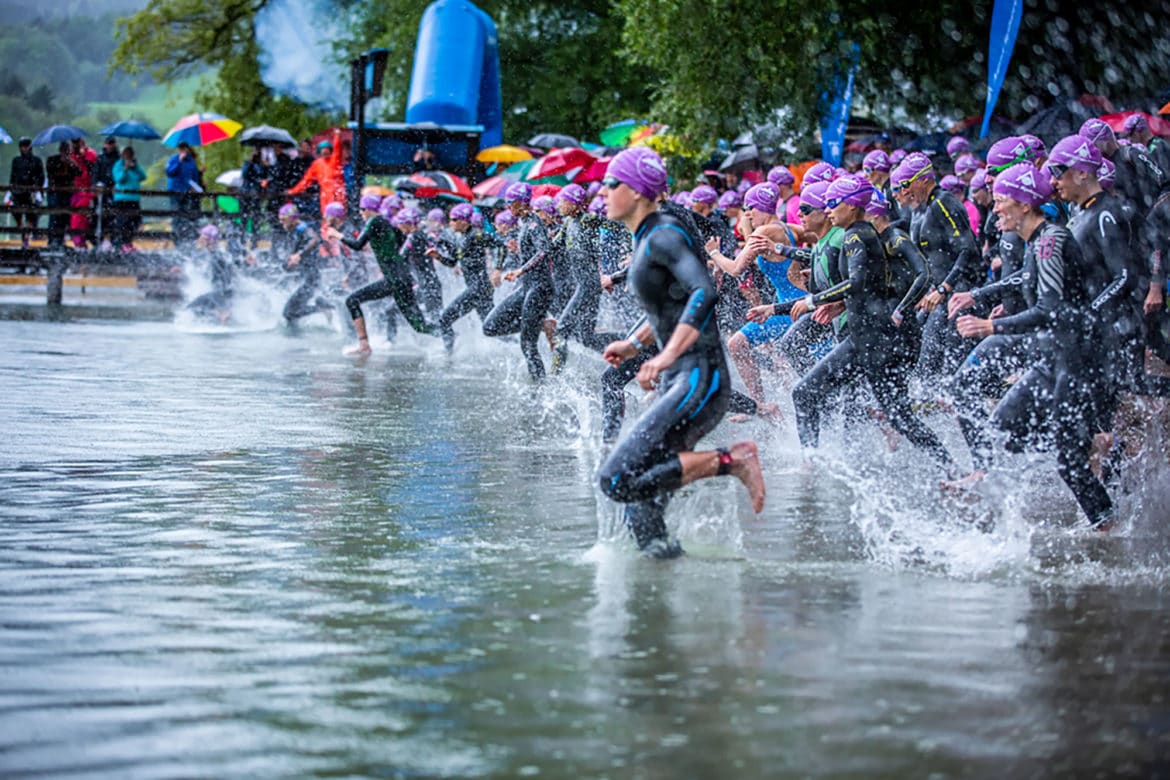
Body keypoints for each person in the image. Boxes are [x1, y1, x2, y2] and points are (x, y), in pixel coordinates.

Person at [596, 147, 765, 558]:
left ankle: (734, 460)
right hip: (686, 377)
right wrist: (635, 344)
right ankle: (668, 591)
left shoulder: (663, 235)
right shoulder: (649, 235)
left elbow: (702, 291)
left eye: (610, 184)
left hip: (697, 378)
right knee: (641, 509)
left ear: (635, 191)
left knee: (616, 479)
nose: (603, 192)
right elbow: (669, 308)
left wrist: (667, 354)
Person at [949, 163, 1114, 529]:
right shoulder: (1036, 243)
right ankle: (1088, 443)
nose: (995, 211)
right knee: (1003, 430)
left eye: (1001, 202)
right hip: (1053, 357)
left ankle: (1109, 528)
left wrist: (992, 326)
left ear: (1025, 204)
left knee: (1069, 461)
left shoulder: (1052, 240)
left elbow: (1050, 309)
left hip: (1078, 360)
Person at [783, 175, 957, 471]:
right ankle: (950, 468)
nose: (827, 211)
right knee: (898, 415)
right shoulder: (865, 235)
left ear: (852, 207)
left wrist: (814, 301)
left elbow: (857, 281)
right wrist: (839, 303)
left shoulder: (855, 236)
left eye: (832, 204)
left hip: (868, 340)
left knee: (805, 393)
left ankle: (810, 465)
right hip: (877, 338)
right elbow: (871, 285)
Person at [334, 199, 434, 355]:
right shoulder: (388, 223)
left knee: (352, 301)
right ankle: (451, 336)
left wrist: (337, 235)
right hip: (399, 278)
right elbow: (400, 248)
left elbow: (357, 245)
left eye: (361, 209)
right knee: (419, 325)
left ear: (368, 209)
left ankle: (364, 345)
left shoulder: (373, 221)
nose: (360, 213)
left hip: (395, 280)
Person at [482, 182, 556, 381]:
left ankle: (542, 388)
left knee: (527, 344)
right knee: (490, 326)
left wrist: (520, 270)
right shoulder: (524, 224)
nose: (507, 208)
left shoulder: (533, 223)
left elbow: (544, 251)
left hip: (540, 287)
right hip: (526, 287)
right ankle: (540, 324)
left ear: (521, 203)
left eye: (510, 203)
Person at [430, 203, 502, 351]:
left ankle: (448, 355)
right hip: (479, 289)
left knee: (445, 319)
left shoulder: (476, 235)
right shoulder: (461, 238)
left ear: (464, 221)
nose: (450, 223)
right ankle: (516, 345)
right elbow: (452, 262)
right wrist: (437, 257)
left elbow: (501, 245)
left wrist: (497, 269)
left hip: (479, 287)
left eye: (453, 219)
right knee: (492, 329)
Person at [275, 203, 330, 325]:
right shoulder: (295, 231)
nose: (281, 223)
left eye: (283, 220)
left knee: (288, 313)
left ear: (293, 218)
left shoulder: (303, 228)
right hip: (309, 279)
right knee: (290, 313)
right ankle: (321, 311)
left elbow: (314, 239)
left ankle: (322, 310)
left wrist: (299, 255)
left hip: (311, 280)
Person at [286, 131, 347, 220]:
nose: (325, 152)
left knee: (338, 218)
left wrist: (337, 137)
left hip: (337, 194)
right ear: (319, 152)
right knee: (327, 219)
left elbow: (338, 150)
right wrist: (292, 191)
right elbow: (305, 181)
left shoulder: (335, 161)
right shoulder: (316, 164)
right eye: (323, 150)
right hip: (326, 196)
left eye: (327, 150)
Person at [186, 224, 236, 323]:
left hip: (221, 295)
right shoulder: (213, 254)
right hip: (219, 294)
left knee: (192, 308)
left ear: (211, 240)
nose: (199, 239)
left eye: (203, 237)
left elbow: (222, 284)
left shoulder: (218, 257)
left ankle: (222, 314)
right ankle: (217, 315)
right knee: (192, 308)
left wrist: (223, 308)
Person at [8, 137, 43, 249]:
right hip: (18, 192)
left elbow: (41, 176)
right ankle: (23, 234)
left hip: (31, 193)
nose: (25, 148)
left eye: (26, 146)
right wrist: (12, 189)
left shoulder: (36, 160)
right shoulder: (16, 161)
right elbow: (12, 177)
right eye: (23, 146)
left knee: (30, 216)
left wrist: (36, 186)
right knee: (17, 214)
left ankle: (25, 239)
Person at [110, 145, 146, 252]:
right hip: (122, 198)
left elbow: (143, 176)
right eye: (126, 153)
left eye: (130, 153)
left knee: (134, 221)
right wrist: (125, 169)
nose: (128, 155)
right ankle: (121, 243)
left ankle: (128, 242)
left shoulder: (134, 166)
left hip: (134, 198)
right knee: (123, 221)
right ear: (122, 154)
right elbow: (119, 179)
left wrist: (135, 166)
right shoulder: (118, 165)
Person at [45, 142, 80, 249]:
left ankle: (60, 239)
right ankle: (52, 240)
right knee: (54, 216)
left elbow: (78, 173)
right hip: (55, 192)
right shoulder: (52, 160)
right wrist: (60, 163)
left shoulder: (71, 162)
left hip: (66, 193)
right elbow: (50, 172)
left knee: (64, 217)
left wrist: (72, 164)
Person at [166, 142, 202, 245]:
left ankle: (186, 238)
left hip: (187, 191)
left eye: (184, 148)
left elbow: (194, 176)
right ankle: (176, 239)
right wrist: (179, 162)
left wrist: (195, 187)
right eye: (181, 148)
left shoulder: (191, 162)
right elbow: (170, 172)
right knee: (176, 215)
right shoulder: (173, 159)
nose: (183, 150)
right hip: (175, 191)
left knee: (186, 215)